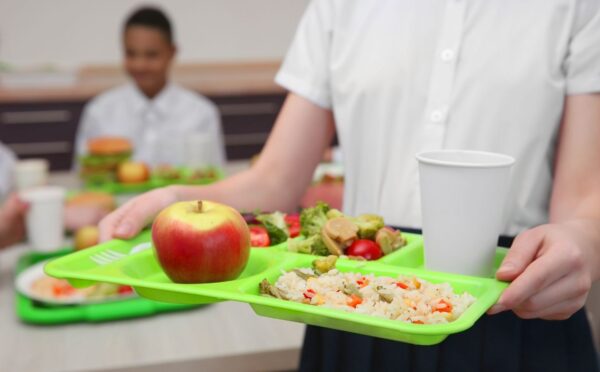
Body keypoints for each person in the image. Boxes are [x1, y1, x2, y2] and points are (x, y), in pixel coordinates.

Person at [99, 0, 600, 370]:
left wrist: (585, 239)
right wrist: (178, 202)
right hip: (357, 299)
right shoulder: (339, 7)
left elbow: (581, 202)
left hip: (514, 304)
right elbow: (278, 178)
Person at [75, 6, 226, 168]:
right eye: (131, 54)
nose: (140, 65)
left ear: (172, 52)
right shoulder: (99, 112)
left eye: (151, 55)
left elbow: (215, 179)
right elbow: (83, 177)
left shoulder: (201, 113)